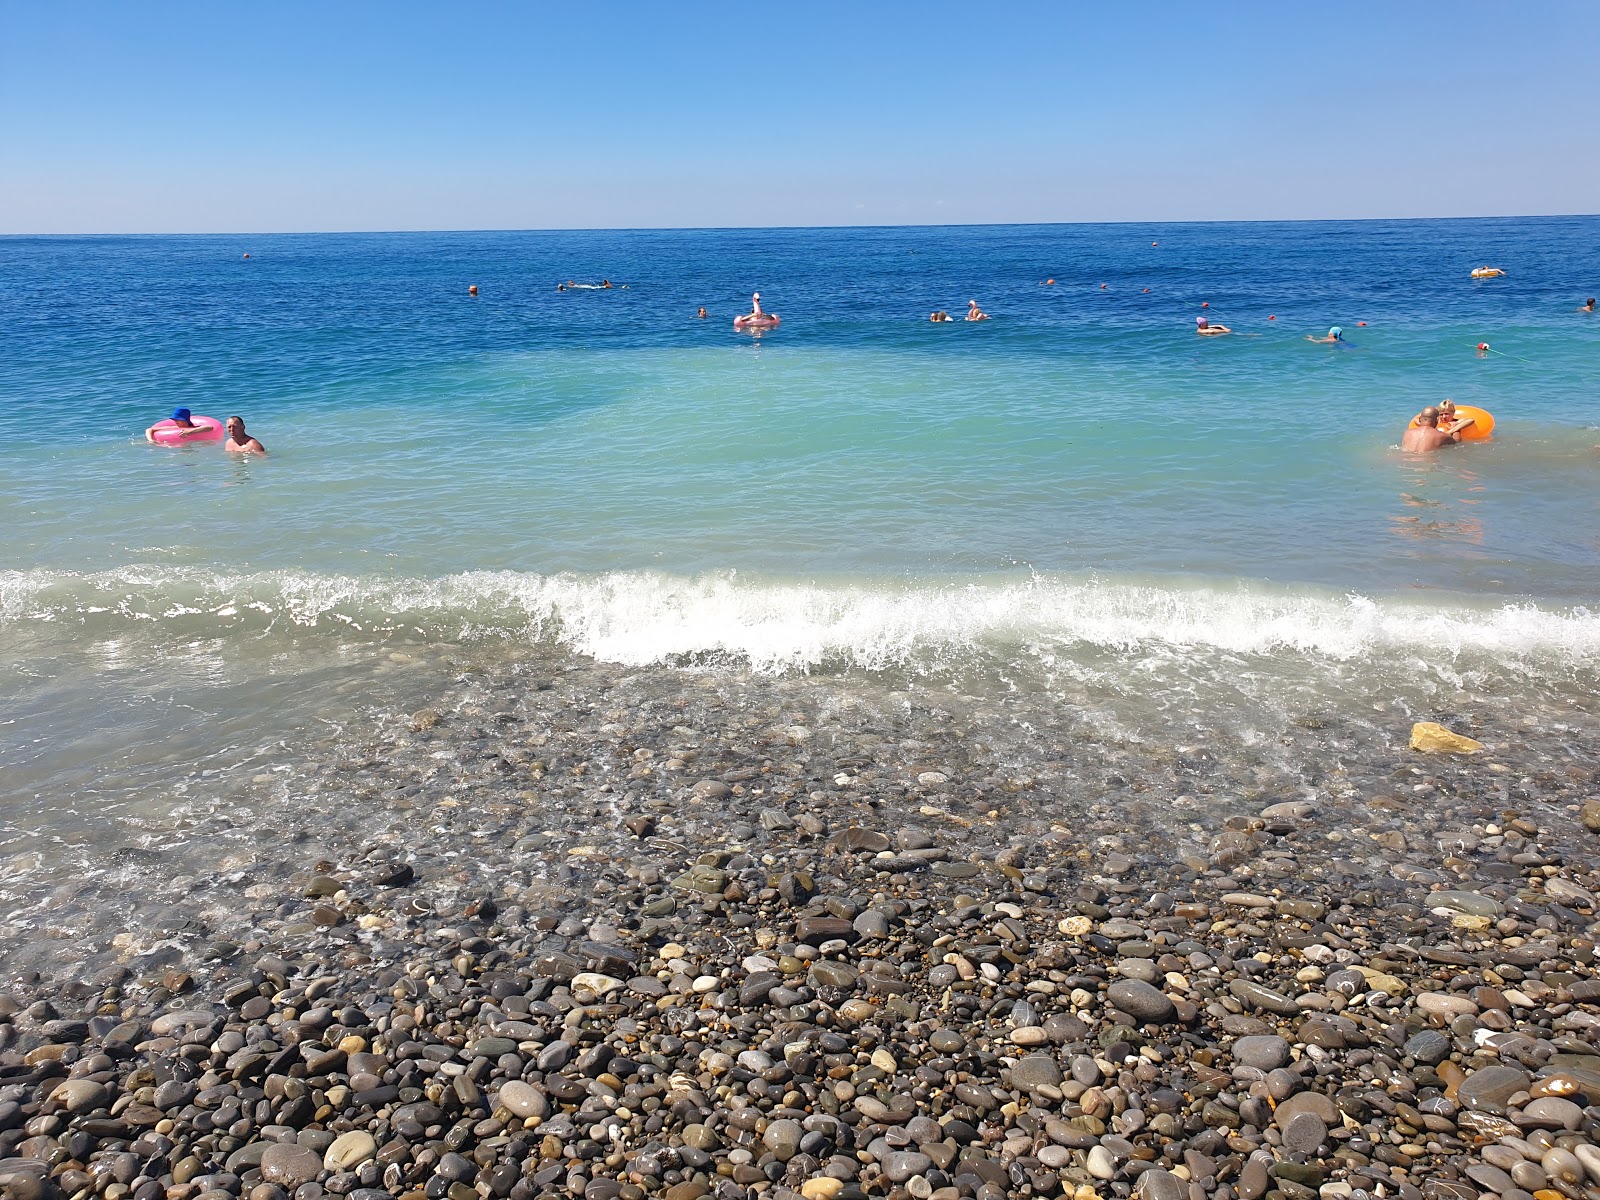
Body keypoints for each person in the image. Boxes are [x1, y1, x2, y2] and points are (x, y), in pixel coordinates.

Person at [1402, 406, 1474, 453]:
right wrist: (1456, 428)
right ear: (1437, 419)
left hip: (1406, 462)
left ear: (1420, 419)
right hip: (1427, 463)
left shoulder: (1407, 433)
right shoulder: (1441, 436)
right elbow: (1458, 444)